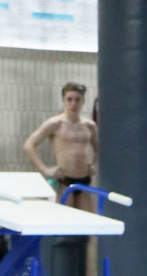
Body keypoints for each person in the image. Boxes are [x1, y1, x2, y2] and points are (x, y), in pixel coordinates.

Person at [23, 82, 98, 210]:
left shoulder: (89, 125)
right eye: (69, 99)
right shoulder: (55, 124)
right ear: (64, 100)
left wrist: (93, 164)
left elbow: (97, 147)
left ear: (83, 101)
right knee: (66, 224)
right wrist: (45, 169)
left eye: (77, 100)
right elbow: (29, 145)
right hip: (65, 181)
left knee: (88, 224)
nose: (73, 104)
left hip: (85, 182)